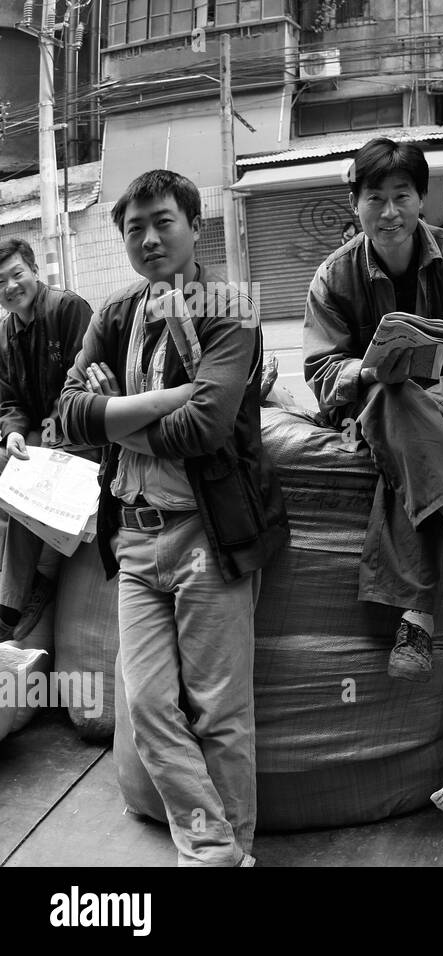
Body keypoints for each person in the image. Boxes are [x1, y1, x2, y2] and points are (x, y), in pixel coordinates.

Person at [58, 169, 289, 866]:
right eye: (135, 228)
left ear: (195, 227)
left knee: (220, 714)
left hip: (205, 536)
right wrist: (155, 404)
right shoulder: (116, 314)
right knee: (150, 705)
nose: (150, 238)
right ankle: (216, 846)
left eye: (164, 222)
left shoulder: (229, 305)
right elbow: (66, 418)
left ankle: (219, 854)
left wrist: (111, 418)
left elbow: (207, 427)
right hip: (134, 541)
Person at [303, 137, 443, 683]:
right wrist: (370, 371)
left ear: (423, 199)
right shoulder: (333, 277)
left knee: (404, 413)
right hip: (369, 405)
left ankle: (416, 615)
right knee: (390, 394)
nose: (390, 212)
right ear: (356, 205)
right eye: (376, 198)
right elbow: (323, 373)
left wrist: (429, 420)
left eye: (403, 196)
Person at [0, 238, 93, 645]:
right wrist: (13, 431)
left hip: (80, 425)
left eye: (16, 274)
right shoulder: (5, 332)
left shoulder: (67, 308)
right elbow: (8, 399)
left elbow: (87, 375)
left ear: (34, 271)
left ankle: (12, 600)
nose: (9, 287)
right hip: (39, 430)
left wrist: (53, 427)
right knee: (18, 459)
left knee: (29, 476)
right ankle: (16, 587)